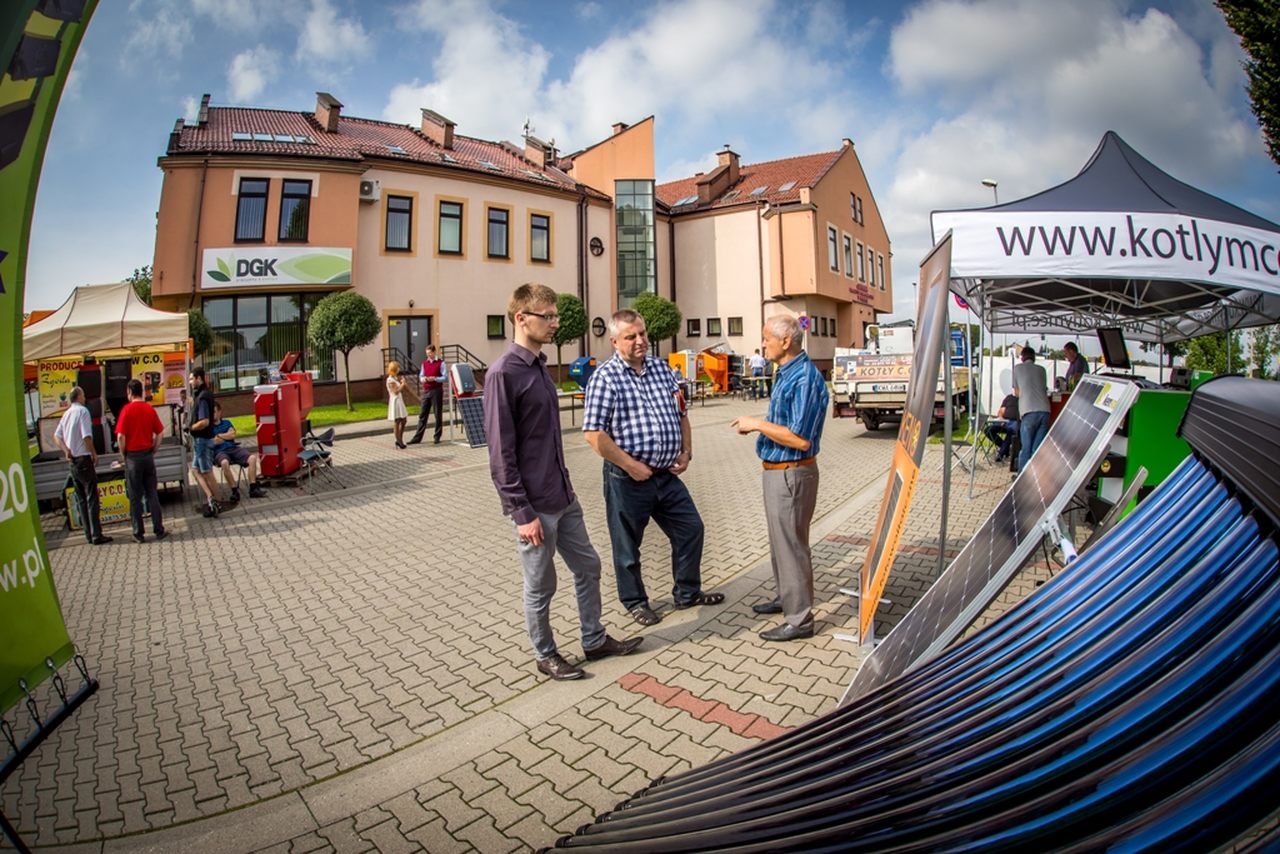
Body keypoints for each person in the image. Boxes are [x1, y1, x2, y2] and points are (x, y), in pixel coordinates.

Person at [484, 283, 642, 681]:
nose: (555, 323)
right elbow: (501, 453)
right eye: (547, 316)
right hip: (534, 506)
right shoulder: (503, 374)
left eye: (554, 315)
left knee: (588, 566)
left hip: (563, 496)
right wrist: (521, 513)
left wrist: (567, 487)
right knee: (541, 585)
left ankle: (594, 639)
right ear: (521, 318)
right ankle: (546, 653)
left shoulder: (539, 366)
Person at [583, 309, 724, 627]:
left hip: (666, 475)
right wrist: (630, 465)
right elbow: (594, 435)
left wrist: (686, 451)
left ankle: (687, 592)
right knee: (627, 545)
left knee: (691, 529)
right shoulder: (606, 378)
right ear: (615, 341)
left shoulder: (663, 369)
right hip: (627, 478)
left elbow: (682, 414)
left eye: (642, 333)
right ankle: (635, 602)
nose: (640, 341)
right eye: (631, 336)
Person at [731, 314, 828, 642]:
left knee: (791, 546)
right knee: (781, 543)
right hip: (779, 473)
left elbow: (801, 438)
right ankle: (787, 596)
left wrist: (757, 424)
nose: (763, 344)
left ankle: (799, 618)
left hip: (792, 473)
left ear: (786, 341)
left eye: (766, 337)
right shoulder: (787, 372)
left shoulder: (803, 377)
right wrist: (761, 426)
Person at [53, 386, 110, 545]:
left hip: (73, 461)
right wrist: (93, 453)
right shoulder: (83, 412)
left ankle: (88, 535)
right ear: (79, 396)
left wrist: (66, 450)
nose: (85, 398)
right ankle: (96, 534)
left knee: (81, 500)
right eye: (83, 395)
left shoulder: (66, 414)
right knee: (92, 497)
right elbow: (86, 436)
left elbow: (56, 436)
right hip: (83, 459)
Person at [116, 378, 168, 544]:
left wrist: (123, 453)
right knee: (152, 493)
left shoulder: (126, 410)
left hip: (132, 458)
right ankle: (159, 529)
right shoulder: (149, 409)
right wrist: (154, 449)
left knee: (135, 496)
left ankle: (138, 533)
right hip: (147, 456)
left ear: (130, 392)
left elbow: (120, 436)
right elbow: (160, 433)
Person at [210, 403, 265, 501]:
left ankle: (253, 488)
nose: (212, 414)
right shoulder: (209, 428)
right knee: (224, 463)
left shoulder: (227, 422)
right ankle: (234, 491)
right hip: (220, 452)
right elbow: (214, 441)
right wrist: (226, 435)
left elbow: (232, 435)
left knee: (252, 458)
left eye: (214, 412)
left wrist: (219, 436)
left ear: (219, 412)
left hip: (233, 448)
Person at [188, 367, 222, 518]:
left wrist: (191, 427)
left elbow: (205, 421)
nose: (189, 382)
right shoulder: (203, 394)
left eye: (191, 379)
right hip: (200, 440)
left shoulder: (202, 397)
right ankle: (211, 498)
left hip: (202, 439)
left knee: (207, 472)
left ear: (198, 378)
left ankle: (217, 503)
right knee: (195, 470)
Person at [1013, 346, 1050, 473]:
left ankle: (1021, 477)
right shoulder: (1042, 369)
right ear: (1034, 357)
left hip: (1028, 411)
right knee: (1037, 449)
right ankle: (1034, 477)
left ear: (1022, 357)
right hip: (1045, 410)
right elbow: (1044, 389)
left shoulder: (1017, 368)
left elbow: (1017, 393)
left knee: (1026, 448)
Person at [407, 345, 446, 445]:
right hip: (426, 390)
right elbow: (421, 376)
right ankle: (417, 437)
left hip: (436, 390)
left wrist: (435, 378)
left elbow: (445, 377)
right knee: (423, 414)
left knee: (437, 413)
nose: (428, 355)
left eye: (430, 353)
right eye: (427, 353)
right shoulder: (424, 363)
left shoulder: (441, 363)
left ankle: (437, 436)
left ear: (434, 352)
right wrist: (424, 379)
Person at [984, 393, 1020, 463]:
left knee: (1012, 431)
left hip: (1015, 422)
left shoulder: (1023, 398)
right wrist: (1000, 418)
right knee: (988, 430)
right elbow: (1001, 410)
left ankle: (1001, 454)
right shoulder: (1009, 397)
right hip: (1004, 421)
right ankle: (1005, 449)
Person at [386, 361, 408, 449]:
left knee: (404, 420)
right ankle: (398, 440)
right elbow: (396, 391)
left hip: (399, 400)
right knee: (398, 420)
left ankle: (400, 438)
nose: (399, 369)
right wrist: (403, 384)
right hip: (395, 400)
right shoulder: (390, 379)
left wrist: (402, 383)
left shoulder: (394, 378)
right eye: (398, 367)